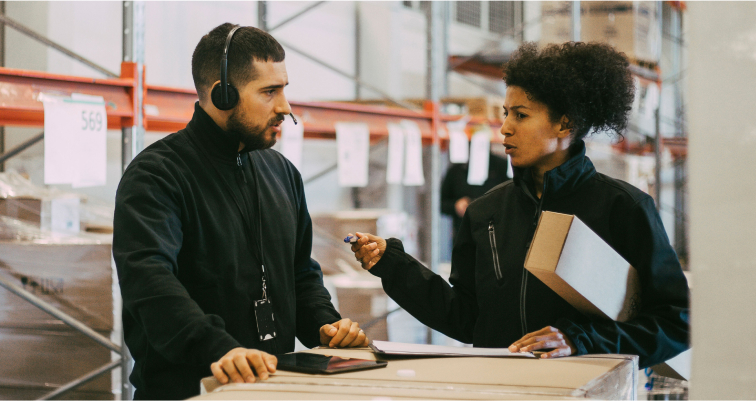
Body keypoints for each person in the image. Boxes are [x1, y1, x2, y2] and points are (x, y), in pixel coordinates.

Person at [350, 42, 689, 368]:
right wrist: (394, 266)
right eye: (505, 113)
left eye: (521, 115)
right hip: (500, 389)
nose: (505, 128)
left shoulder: (624, 208)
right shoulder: (485, 212)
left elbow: (678, 323)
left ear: (565, 122)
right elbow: (467, 319)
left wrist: (580, 340)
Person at [113, 24, 367, 400]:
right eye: (269, 92)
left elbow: (300, 275)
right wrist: (221, 350)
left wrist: (326, 327)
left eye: (283, 90)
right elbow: (149, 284)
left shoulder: (282, 173)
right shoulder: (157, 175)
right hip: (190, 391)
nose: (285, 107)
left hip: (273, 387)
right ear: (223, 94)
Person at [440, 152, 510, 241]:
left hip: (496, 236)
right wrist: (455, 206)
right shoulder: (457, 168)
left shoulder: (501, 166)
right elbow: (440, 203)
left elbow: (513, 202)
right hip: (464, 236)